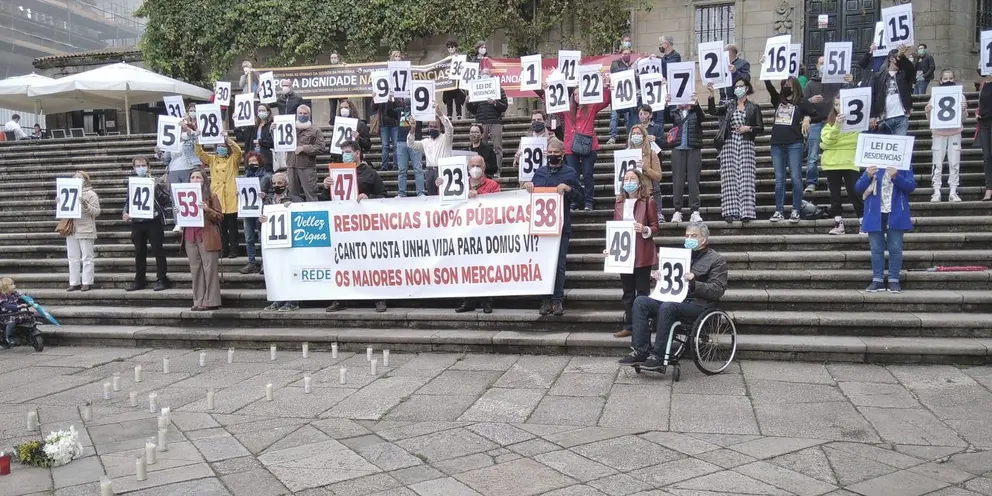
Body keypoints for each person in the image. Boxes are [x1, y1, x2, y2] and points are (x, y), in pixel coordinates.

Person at [618, 221, 728, 369]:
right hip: (674, 299)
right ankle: (640, 351)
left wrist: (694, 282)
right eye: (687, 235)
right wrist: (659, 277)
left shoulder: (716, 260)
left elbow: (717, 290)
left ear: (704, 239)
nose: (689, 238)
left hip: (698, 304)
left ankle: (659, 356)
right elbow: (671, 280)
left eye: (694, 236)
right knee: (641, 301)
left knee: (667, 307)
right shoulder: (679, 255)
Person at [322, 141, 389, 313]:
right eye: (343, 152)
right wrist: (325, 187)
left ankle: (379, 298)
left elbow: (383, 196)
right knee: (342, 263)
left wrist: (369, 197)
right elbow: (324, 201)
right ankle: (341, 299)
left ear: (358, 153)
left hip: (365, 226)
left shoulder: (370, 173)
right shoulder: (335, 173)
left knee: (371, 262)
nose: (345, 154)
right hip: (342, 226)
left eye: (348, 151)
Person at [522, 138, 583, 316]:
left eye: (556, 153)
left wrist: (569, 189)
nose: (553, 156)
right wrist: (527, 186)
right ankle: (545, 300)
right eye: (550, 153)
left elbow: (581, 197)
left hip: (561, 227)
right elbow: (528, 197)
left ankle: (557, 300)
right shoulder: (539, 173)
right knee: (543, 264)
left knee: (559, 266)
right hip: (540, 228)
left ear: (563, 154)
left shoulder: (570, 173)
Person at [538, 80, 611, 211]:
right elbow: (552, 105)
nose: (577, 96)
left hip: (588, 145)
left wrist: (606, 88)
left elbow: (605, 101)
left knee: (588, 174)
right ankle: (576, 200)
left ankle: (588, 201)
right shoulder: (567, 108)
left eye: (579, 94)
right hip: (571, 146)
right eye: (575, 94)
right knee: (573, 175)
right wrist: (547, 91)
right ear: (572, 96)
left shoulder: (592, 106)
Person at [610, 169, 660, 339]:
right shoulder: (618, 203)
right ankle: (630, 325)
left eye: (632, 178)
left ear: (639, 182)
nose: (629, 181)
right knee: (628, 293)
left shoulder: (648, 202)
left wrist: (645, 229)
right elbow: (614, 229)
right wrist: (610, 247)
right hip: (623, 253)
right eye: (626, 179)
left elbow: (655, 227)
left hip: (642, 252)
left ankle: (643, 326)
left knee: (642, 292)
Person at [708, 79, 762, 223]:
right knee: (729, 177)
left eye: (741, 86)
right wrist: (711, 95)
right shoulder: (729, 105)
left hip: (746, 143)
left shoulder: (753, 107)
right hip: (729, 142)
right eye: (736, 86)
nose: (738, 88)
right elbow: (713, 111)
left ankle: (746, 212)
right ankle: (730, 212)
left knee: (746, 177)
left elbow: (760, 127)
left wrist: (748, 128)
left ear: (746, 88)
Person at [764, 76, 817, 222]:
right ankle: (779, 210)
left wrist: (807, 117)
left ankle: (796, 209)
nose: (786, 85)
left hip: (794, 143)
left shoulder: (801, 101)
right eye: (784, 83)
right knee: (779, 179)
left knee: (796, 177)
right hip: (777, 143)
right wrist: (766, 72)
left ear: (795, 85)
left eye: (789, 83)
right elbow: (769, 87)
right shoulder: (778, 100)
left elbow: (816, 114)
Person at [856, 164, 916, 293]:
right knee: (876, 248)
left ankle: (894, 279)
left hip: (896, 212)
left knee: (895, 248)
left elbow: (910, 186)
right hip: (874, 212)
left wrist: (896, 176)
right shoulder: (872, 164)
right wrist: (867, 175)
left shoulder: (904, 164)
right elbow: (858, 187)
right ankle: (877, 279)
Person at [454, 156, 501, 314]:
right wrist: (440, 184)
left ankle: (487, 300)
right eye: (472, 165)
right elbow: (446, 201)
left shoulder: (493, 185)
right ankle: (468, 300)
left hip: (485, 233)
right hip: (465, 232)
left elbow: (498, 205)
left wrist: (479, 198)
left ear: (484, 167)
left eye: (478, 165)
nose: (475, 168)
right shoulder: (460, 184)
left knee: (485, 268)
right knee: (467, 268)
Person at [803, 57, 854, 193]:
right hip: (816, 123)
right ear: (817, 66)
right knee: (813, 155)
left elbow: (850, 96)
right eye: (821, 63)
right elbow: (802, 103)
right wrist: (810, 100)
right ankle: (811, 182)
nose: (823, 66)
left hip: (834, 123)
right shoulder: (810, 84)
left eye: (826, 63)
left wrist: (850, 82)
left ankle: (832, 181)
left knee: (834, 153)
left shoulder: (839, 82)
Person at [123, 156, 171, 292]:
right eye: (137, 166)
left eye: (143, 165)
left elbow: (166, 200)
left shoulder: (156, 181)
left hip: (153, 220)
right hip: (137, 221)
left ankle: (162, 278)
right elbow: (129, 201)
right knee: (139, 252)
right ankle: (139, 279)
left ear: (148, 166)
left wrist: (156, 189)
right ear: (134, 168)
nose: (140, 168)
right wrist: (125, 212)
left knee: (158, 250)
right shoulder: (132, 183)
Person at [180, 169, 224, 310]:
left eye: (198, 177)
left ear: (204, 180)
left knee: (210, 269)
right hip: (190, 236)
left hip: (207, 235)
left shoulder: (211, 196)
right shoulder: (184, 196)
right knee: (195, 269)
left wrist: (207, 209)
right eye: (192, 177)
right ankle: (198, 300)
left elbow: (220, 217)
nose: (195, 180)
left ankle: (211, 300)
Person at [819, 101, 865, 235]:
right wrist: (837, 125)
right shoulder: (829, 125)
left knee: (855, 193)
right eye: (836, 105)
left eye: (841, 104)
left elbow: (855, 141)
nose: (839, 107)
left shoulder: (857, 123)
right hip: (832, 163)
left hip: (849, 161)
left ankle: (863, 223)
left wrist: (833, 143)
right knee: (835, 196)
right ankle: (838, 224)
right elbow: (826, 142)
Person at [258, 172, 302, 311]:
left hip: (290, 241)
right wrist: (261, 220)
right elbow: (262, 219)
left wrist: (294, 208)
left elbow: (303, 215)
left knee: (290, 271)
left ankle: (292, 301)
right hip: (273, 242)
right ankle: (278, 299)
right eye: (275, 183)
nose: (277, 186)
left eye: (280, 183)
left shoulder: (295, 199)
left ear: (286, 185)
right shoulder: (268, 201)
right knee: (276, 271)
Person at [195, 133, 243, 258]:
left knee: (232, 227)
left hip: (231, 195)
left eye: (224, 146)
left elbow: (238, 152)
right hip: (218, 196)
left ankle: (234, 250)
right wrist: (198, 139)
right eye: (219, 146)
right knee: (221, 226)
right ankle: (223, 248)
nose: (221, 148)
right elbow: (200, 153)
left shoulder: (233, 159)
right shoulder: (212, 159)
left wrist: (228, 140)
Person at [925, 69, 967, 202]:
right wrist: (928, 111)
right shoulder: (934, 96)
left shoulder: (961, 96)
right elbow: (930, 119)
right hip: (938, 134)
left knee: (954, 163)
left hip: (955, 133)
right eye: (945, 78)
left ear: (954, 79)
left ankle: (953, 191)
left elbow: (964, 119)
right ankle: (936, 191)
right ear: (941, 80)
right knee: (937, 163)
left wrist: (964, 109)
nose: (948, 81)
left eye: (950, 78)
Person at [664, 92, 705, 223]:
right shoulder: (675, 113)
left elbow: (702, 117)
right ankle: (677, 211)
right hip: (678, 150)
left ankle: (695, 210)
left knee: (694, 181)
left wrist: (696, 103)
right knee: (678, 182)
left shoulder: (695, 113)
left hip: (693, 149)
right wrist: (666, 103)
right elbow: (666, 118)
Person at [465, 66, 507, 177]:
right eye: (483, 74)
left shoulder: (499, 89)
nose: (485, 75)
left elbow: (504, 107)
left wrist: (494, 103)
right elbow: (473, 110)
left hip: (495, 121)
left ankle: (497, 170)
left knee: (497, 147)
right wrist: (468, 102)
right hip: (481, 122)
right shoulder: (476, 91)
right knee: (481, 147)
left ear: (492, 76)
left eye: (487, 73)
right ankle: (481, 170)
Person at [63, 171, 100, 292]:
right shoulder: (68, 191)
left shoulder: (91, 194)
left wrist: (85, 205)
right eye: (75, 177)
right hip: (72, 228)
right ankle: (74, 282)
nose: (78, 179)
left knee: (87, 256)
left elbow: (96, 212)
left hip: (86, 227)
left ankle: (87, 282)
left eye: (80, 177)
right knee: (72, 256)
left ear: (86, 180)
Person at [407, 106, 454, 196]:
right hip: (429, 172)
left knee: (444, 195)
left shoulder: (446, 139)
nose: (432, 128)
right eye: (431, 126)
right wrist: (412, 129)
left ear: (440, 128)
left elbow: (449, 128)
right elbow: (411, 144)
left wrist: (440, 114)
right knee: (431, 196)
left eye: (435, 127)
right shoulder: (425, 142)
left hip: (443, 170)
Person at [870, 47, 915, 136]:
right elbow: (873, 96)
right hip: (883, 118)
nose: (901, 60)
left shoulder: (904, 74)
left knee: (900, 146)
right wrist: (872, 116)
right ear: (891, 59)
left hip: (901, 117)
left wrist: (902, 57)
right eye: (899, 57)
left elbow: (911, 69)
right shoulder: (878, 76)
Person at [239, 151, 272, 274]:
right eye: (250, 161)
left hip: (261, 209)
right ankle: (251, 262)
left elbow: (273, 193)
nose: (253, 163)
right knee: (248, 237)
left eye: (255, 160)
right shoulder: (244, 177)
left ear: (260, 161)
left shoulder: (267, 176)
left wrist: (265, 195)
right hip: (248, 210)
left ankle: (265, 262)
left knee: (262, 237)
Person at [156, 104, 202, 186]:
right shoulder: (170, 142)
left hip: (189, 168)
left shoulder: (189, 138)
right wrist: (159, 152)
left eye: (181, 128)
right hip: (173, 170)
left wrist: (186, 127)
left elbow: (196, 137)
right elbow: (166, 159)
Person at [287, 104, 325, 202]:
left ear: (309, 115)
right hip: (291, 165)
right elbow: (278, 142)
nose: (302, 115)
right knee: (292, 195)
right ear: (296, 114)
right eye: (300, 113)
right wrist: (274, 130)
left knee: (310, 193)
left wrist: (304, 148)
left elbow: (321, 148)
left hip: (307, 166)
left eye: (305, 113)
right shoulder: (289, 128)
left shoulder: (315, 130)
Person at [378, 51, 405, 170]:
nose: (397, 58)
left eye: (399, 56)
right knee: (385, 146)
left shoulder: (400, 83)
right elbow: (374, 107)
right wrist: (375, 97)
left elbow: (401, 104)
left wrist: (394, 99)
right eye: (395, 56)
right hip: (384, 122)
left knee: (395, 145)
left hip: (394, 122)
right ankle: (384, 165)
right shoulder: (382, 89)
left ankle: (396, 164)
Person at [395, 97, 425, 196]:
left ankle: (420, 193)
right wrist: (390, 98)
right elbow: (387, 112)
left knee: (418, 169)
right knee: (402, 170)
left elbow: (429, 113)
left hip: (415, 141)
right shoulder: (399, 111)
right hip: (401, 142)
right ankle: (401, 193)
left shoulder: (419, 111)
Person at [608, 46, 636, 144]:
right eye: (624, 54)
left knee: (628, 118)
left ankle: (630, 136)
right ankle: (612, 136)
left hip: (628, 96)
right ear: (621, 55)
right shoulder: (615, 63)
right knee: (614, 116)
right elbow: (615, 70)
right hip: (617, 96)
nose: (626, 55)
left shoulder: (633, 65)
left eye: (628, 54)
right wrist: (628, 70)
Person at [513, 110, 552, 176]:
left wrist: (550, 157)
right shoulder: (525, 140)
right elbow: (516, 166)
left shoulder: (552, 139)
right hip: (528, 180)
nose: (536, 122)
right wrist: (517, 160)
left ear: (545, 122)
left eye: (539, 119)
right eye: (533, 120)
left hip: (546, 178)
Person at [627, 124, 661, 195]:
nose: (635, 135)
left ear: (644, 136)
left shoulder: (651, 153)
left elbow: (658, 176)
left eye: (638, 133)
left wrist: (646, 168)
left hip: (647, 192)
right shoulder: (626, 153)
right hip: (630, 193)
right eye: (633, 133)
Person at [0, 278, 32, 348]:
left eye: (13, 284)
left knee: (28, 316)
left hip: (15, 313)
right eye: (11, 284)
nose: (14, 285)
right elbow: (6, 305)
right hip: (6, 315)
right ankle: (8, 336)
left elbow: (20, 300)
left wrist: (26, 300)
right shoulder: (2, 296)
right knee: (11, 320)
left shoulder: (14, 294)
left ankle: (27, 334)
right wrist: (18, 306)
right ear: (5, 287)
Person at [977, 69, 992, 201]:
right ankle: (989, 188)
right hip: (983, 123)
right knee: (987, 156)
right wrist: (978, 112)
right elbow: (981, 103)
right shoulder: (983, 84)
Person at [245, 103, 275, 172]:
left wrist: (259, 141)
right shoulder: (255, 126)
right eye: (259, 111)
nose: (261, 112)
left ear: (268, 112)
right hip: (254, 158)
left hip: (267, 159)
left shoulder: (272, 125)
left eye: (263, 110)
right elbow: (244, 136)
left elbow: (271, 141)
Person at [443, 41, 467, 120]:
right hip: (449, 82)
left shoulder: (460, 58)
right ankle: (449, 116)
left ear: (455, 48)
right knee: (449, 101)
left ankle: (459, 116)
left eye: (452, 47)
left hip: (457, 82)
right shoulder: (446, 59)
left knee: (458, 101)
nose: (450, 49)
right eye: (449, 47)